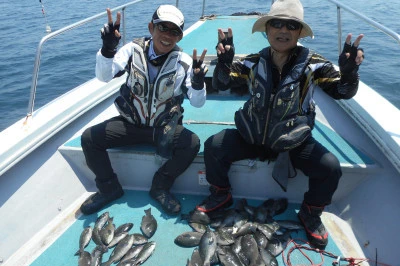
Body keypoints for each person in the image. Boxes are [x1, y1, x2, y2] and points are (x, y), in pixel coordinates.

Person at [197, 0, 364, 249]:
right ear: (267, 30)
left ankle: (310, 212)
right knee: (214, 145)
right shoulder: (253, 61)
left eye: (291, 25)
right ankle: (221, 194)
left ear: (299, 32)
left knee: (329, 167)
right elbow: (223, 82)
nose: (283, 30)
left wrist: (350, 73)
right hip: (252, 136)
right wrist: (223, 62)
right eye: (277, 23)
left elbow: (342, 90)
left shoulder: (315, 65)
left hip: (293, 141)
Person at [80, 5, 208, 216]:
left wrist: (198, 83)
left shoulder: (183, 63)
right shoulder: (131, 50)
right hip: (131, 125)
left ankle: (160, 186)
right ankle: (109, 188)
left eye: (174, 31)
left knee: (191, 144)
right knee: (90, 138)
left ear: (180, 37)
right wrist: (107, 50)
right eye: (162, 28)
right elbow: (104, 76)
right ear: (151, 28)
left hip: (163, 129)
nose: (167, 36)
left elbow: (197, 103)